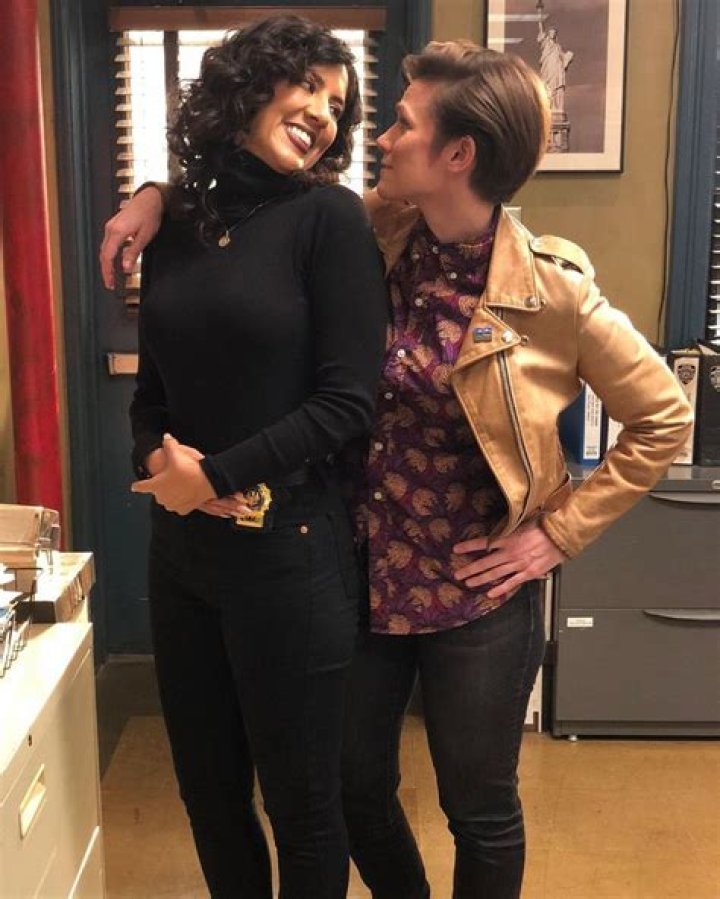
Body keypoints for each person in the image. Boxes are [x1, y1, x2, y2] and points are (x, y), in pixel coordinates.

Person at [101, 40, 692, 899]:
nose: (373, 136)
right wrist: (156, 195)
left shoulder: (552, 291)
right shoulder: (381, 230)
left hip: (474, 586)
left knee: (478, 806)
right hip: (366, 571)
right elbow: (256, 202)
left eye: (402, 124)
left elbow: (665, 415)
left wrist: (556, 536)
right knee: (355, 791)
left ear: (458, 154)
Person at [107, 16, 388, 899]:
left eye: (339, 106)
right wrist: (161, 464)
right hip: (182, 555)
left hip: (291, 554)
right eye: (310, 87)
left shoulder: (329, 220)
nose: (326, 116)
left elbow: (349, 402)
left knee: (303, 808)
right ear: (251, 83)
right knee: (209, 794)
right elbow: (152, 394)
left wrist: (217, 476)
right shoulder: (178, 223)